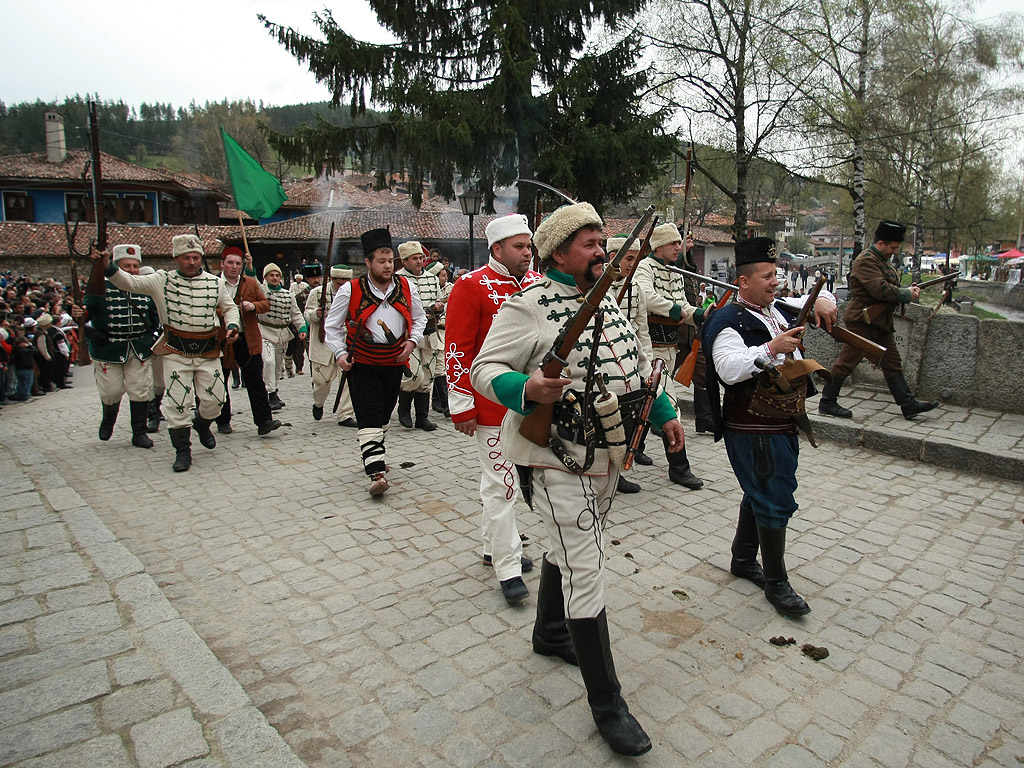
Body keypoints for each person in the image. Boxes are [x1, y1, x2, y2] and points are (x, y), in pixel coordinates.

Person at [471, 202, 685, 757]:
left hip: (611, 452)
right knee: (585, 569)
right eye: (590, 243)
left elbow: (637, 367)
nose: (602, 251)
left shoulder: (610, 302)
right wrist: (526, 389)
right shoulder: (529, 305)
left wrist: (665, 418)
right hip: (555, 458)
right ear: (559, 251)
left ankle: (549, 633)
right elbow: (484, 369)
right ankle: (608, 705)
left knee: (569, 546)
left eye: (603, 242)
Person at [702, 236, 838, 617]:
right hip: (751, 425)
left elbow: (813, 305)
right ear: (743, 282)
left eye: (776, 274)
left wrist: (825, 300)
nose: (775, 282)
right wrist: (770, 349)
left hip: (782, 419)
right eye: (766, 276)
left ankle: (743, 559)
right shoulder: (727, 319)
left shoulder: (776, 307)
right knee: (774, 497)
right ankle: (777, 583)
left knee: (759, 490)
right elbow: (728, 370)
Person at [445, 214, 542, 604]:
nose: (527, 253)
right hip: (490, 406)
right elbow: (457, 348)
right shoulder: (470, 286)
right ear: (497, 249)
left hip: (533, 404)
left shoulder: (538, 284)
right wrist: (462, 403)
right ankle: (508, 566)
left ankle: (492, 547)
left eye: (529, 245)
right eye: (519, 246)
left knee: (504, 485)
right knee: (502, 487)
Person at [96, 234, 240, 472]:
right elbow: (129, 283)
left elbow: (229, 307)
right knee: (178, 403)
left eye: (195, 257)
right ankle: (183, 450)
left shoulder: (215, 283)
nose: (192, 262)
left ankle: (203, 425)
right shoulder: (161, 280)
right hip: (175, 350)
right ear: (176, 258)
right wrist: (108, 266)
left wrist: (233, 325)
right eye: (186, 257)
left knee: (215, 400)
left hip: (208, 351)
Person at [324, 227, 426, 496]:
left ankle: (374, 451)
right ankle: (376, 471)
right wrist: (340, 354)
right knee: (368, 415)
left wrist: (412, 342)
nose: (387, 266)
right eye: (381, 261)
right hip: (364, 362)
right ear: (368, 262)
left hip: (394, 362)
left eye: (390, 260)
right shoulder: (350, 290)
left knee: (383, 415)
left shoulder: (407, 287)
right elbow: (332, 328)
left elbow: (420, 319)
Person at [818, 220, 939, 420]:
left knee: (892, 363)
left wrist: (906, 291)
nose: (894, 251)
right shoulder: (867, 260)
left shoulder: (881, 260)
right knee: (847, 361)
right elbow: (880, 289)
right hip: (862, 320)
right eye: (892, 247)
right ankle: (827, 402)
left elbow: (890, 286)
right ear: (881, 243)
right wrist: (906, 294)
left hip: (879, 322)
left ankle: (907, 404)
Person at [631, 222, 706, 488]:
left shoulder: (674, 271)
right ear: (659, 245)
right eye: (673, 243)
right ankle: (679, 467)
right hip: (651, 348)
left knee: (648, 401)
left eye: (678, 243)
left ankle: (635, 447)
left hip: (671, 347)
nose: (678, 247)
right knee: (669, 405)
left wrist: (698, 313)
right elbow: (647, 298)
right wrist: (679, 311)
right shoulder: (645, 268)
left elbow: (680, 302)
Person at [73, 244, 160, 448]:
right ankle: (108, 419)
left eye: (135, 265)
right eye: (126, 265)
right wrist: (80, 313)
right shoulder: (99, 286)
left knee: (140, 391)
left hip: (139, 346)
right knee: (111, 391)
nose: (132, 270)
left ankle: (139, 432)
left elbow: (154, 316)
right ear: (116, 266)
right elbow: (88, 312)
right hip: (109, 347)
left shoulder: (145, 287)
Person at [214, 247, 281, 436]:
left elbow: (266, 304)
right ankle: (223, 420)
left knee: (255, 381)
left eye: (238, 263)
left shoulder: (250, 283)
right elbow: (208, 309)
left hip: (248, 338)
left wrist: (253, 306)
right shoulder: (213, 283)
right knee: (221, 381)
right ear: (222, 264)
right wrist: (228, 311)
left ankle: (264, 421)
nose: (234, 267)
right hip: (223, 339)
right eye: (230, 263)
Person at [396, 241, 443, 431]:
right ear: (405, 261)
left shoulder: (432, 279)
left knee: (428, 376)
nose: (419, 261)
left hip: (430, 333)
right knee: (413, 374)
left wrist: (439, 308)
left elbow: (439, 301)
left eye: (421, 258)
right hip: (408, 335)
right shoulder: (397, 279)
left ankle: (422, 417)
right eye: (414, 258)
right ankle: (404, 409)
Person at [304, 264, 358, 428]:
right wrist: (316, 314)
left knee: (349, 380)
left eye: (345, 280)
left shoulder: (353, 293)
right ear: (333, 278)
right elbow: (307, 314)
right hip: (324, 342)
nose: (341, 283)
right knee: (322, 381)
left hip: (346, 341)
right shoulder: (317, 293)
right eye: (338, 280)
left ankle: (345, 414)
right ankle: (318, 403)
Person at [256, 263, 306, 411]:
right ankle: (269, 393)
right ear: (265, 277)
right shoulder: (262, 291)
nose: (275, 278)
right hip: (265, 331)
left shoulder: (287, 294)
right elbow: (253, 280)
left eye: (277, 275)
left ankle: (275, 391)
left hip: (282, 333)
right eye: (271, 275)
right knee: (268, 361)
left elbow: (295, 313)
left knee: (278, 365)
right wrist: (250, 267)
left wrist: (301, 327)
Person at [427, 260, 451, 417]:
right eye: (442, 275)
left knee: (441, 368)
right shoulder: (429, 290)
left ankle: (444, 404)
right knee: (433, 369)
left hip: (446, 332)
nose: (445, 277)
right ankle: (440, 402)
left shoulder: (451, 289)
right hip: (432, 332)